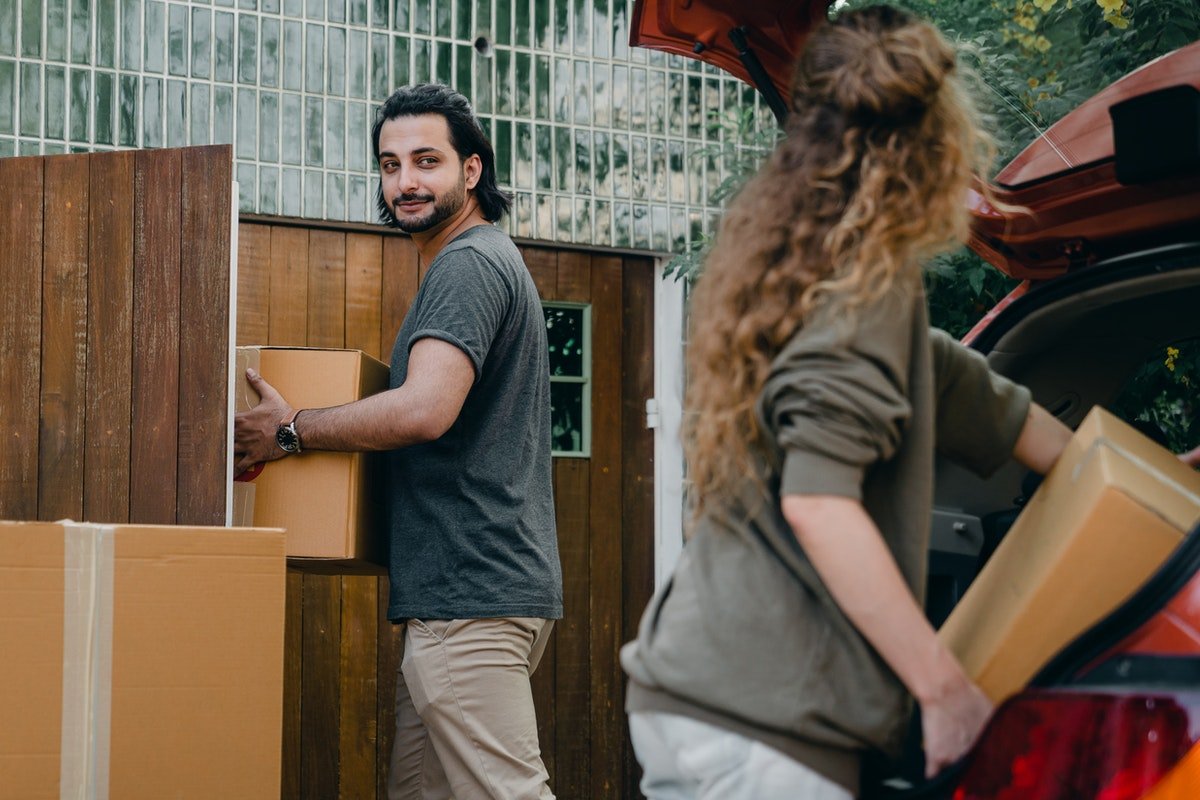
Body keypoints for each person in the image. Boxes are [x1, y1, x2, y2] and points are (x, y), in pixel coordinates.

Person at [619, 7, 1073, 800]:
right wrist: (944, 692)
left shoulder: (802, 270)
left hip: (697, 694)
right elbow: (821, 507)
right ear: (933, 140)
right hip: (764, 726)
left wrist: (1149, 481)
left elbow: (989, 404)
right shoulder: (865, 292)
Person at [234, 84, 562, 800]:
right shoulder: (478, 261)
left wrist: (292, 432)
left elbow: (425, 410)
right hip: (463, 593)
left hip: (468, 595)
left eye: (425, 161)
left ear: (471, 171)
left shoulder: (469, 263)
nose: (405, 182)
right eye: (389, 165)